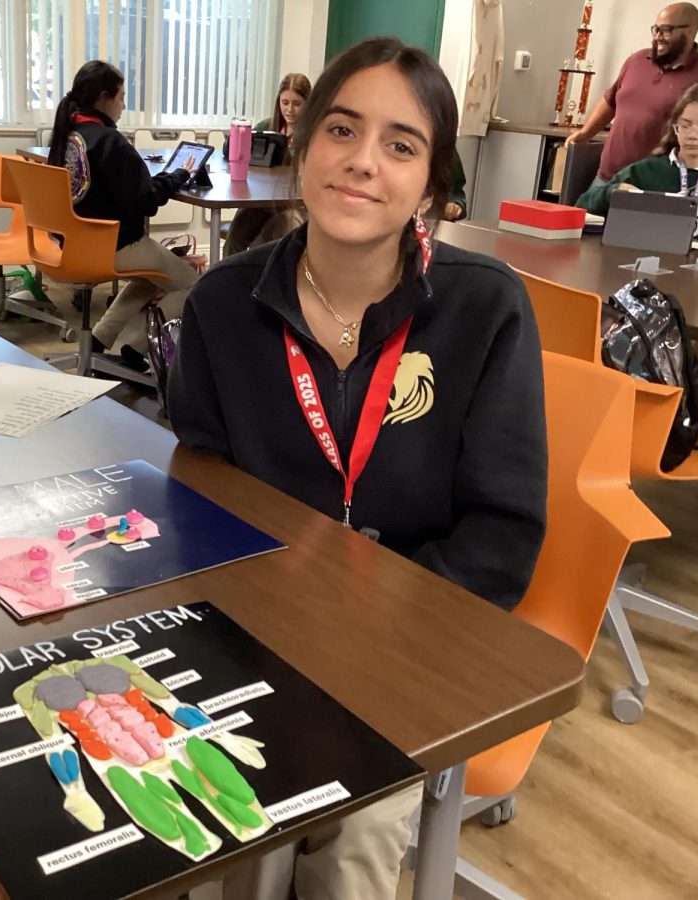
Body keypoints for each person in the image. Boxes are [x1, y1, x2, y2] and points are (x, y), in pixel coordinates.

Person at [169, 36, 547, 899]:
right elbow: (201, 488)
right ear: (301, 145)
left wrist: (370, 630)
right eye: (341, 129)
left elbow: (502, 535)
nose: (362, 162)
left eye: (400, 144)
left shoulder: (485, 309)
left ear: (434, 186)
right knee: (187, 816)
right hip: (259, 624)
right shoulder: (225, 304)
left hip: (414, 634)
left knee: (354, 833)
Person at [47, 60, 198, 370]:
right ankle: (138, 349)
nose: (123, 104)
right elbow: (146, 201)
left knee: (151, 276)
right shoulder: (110, 142)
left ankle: (99, 339)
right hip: (113, 247)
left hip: (70, 247)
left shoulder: (68, 134)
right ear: (104, 97)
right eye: (121, 97)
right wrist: (179, 175)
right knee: (193, 284)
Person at [577, 82, 698, 250]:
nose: (693, 134)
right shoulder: (645, 171)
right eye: (685, 125)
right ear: (675, 128)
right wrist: (613, 192)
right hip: (645, 262)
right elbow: (581, 207)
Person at [565, 3, 698, 186]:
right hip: (607, 178)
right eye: (656, 29)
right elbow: (610, 102)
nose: (658, 37)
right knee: (584, 213)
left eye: (666, 30)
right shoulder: (636, 61)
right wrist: (586, 133)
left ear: (690, 32)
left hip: (657, 186)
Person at [223, 73, 312, 257]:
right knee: (235, 241)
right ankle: (226, 281)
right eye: (285, 102)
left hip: (291, 203)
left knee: (287, 228)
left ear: (308, 103)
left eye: (297, 104)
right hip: (260, 201)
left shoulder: (314, 134)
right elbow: (236, 150)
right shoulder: (267, 126)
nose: (290, 110)